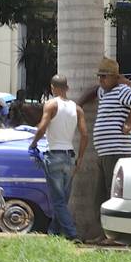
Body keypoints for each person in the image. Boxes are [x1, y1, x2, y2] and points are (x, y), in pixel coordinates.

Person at [87, 57, 131, 239]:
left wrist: (129, 122)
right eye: (100, 77)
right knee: (101, 194)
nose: (101, 80)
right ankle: (105, 233)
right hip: (105, 152)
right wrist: (78, 103)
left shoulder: (121, 91)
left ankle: (117, 235)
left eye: (105, 77)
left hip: (117, 151)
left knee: (112, 194)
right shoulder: (104, 92)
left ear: (115, 77)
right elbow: (93, 92)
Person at [28, 74, 86, 239]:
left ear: (52, 88)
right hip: (69, 156)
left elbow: (42, 127)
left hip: (54, 155)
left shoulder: (51, 105)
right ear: (67, 88)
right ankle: (54, 232)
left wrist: (33, 144)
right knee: (62, 199)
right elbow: (84, 135)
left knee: (58, 200)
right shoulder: (77, 108)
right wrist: (80, 157)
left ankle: (72, 234)